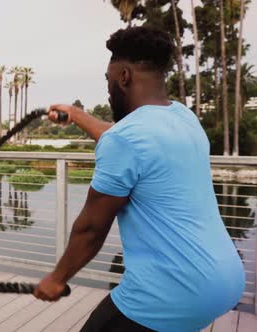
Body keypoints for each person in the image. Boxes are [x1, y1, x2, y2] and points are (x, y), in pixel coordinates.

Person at [33, 26, 245, 332]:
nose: (108, 89)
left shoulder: (126, 140)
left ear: (124, 78)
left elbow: (91, 229)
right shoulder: (183, 117)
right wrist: (76, 115)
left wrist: (56, 279)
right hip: (224, 282)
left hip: (174, 289)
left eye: (108, 81)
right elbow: (123, 138)